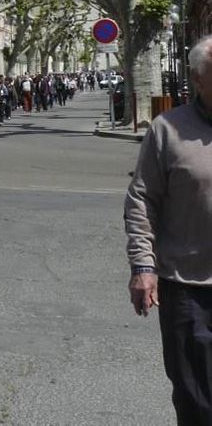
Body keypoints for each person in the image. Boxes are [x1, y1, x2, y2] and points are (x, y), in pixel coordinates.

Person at [124, 34, 212, 424]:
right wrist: (143, 268)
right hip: (186, 288)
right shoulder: (167, 130)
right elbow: (142, 201)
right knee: (196, 398)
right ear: (197, 78)